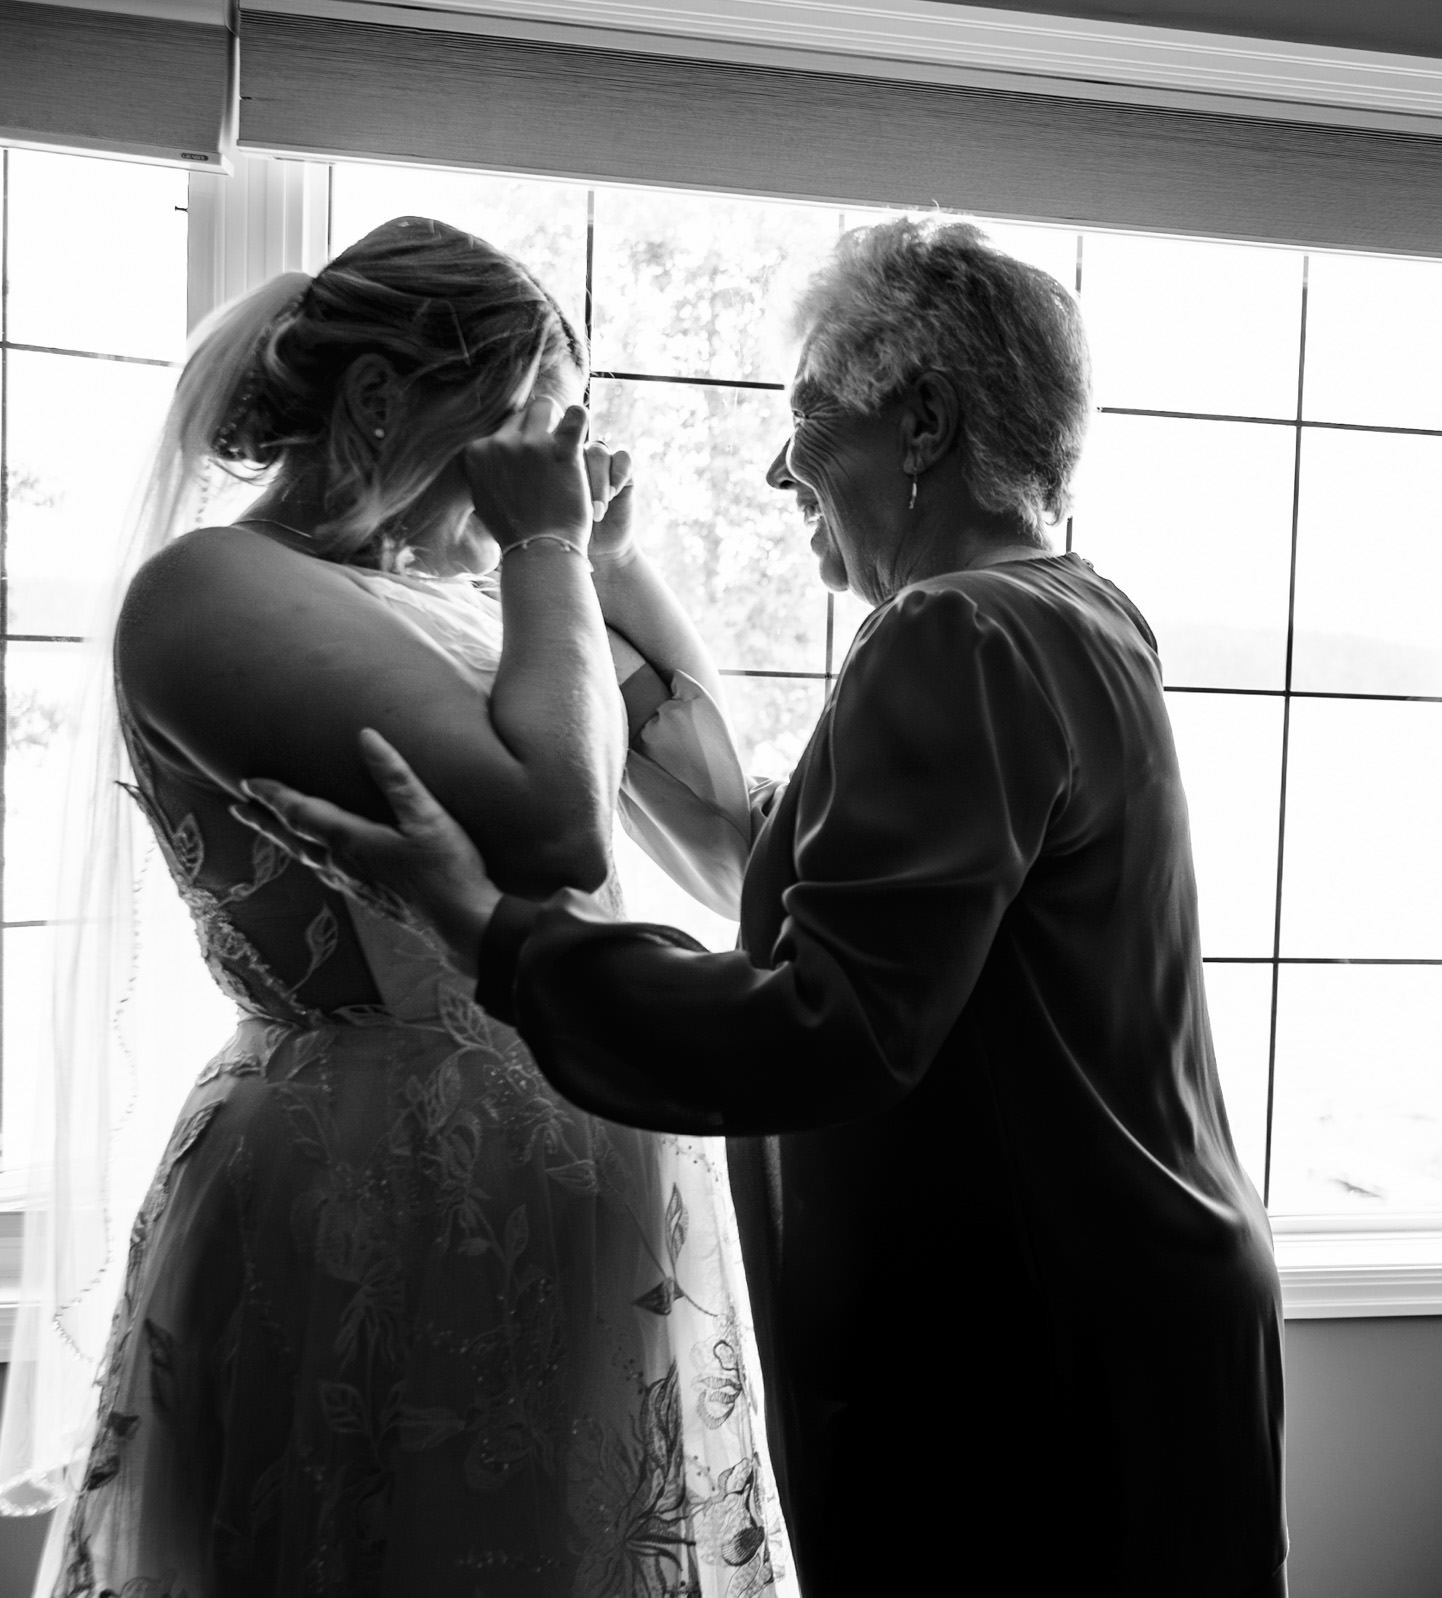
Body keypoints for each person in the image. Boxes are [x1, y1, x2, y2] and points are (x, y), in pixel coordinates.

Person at [244, 217, 1290, 1598]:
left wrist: (496, 933)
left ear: (923, 421)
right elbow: (767, 855)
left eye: (807, 423)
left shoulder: (955, 635)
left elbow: (829, 1018)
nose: (781, 464)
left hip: (1030, 1351)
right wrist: (598, 574)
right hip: (1139, 1303)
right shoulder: (1075, 615)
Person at [5, 217, 792, 1596]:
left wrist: (606, 557)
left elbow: (725, 836)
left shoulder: (469, 596)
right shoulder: (208, 593)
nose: (523, 483)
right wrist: (547, 549)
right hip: (377, 1201)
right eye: (521, 432)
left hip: (573, 1201)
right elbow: (552, 822)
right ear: (379, 404)